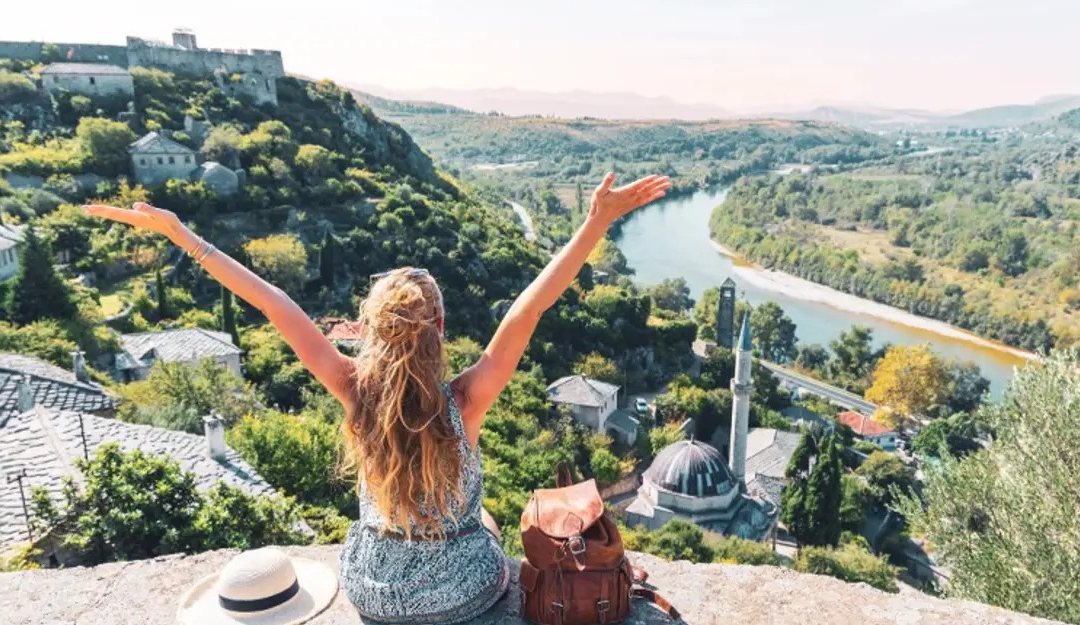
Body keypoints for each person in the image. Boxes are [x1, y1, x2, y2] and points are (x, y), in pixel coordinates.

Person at [84, 172, 671, 624]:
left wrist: (181, 234)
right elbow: (530, 307)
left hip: (373, 593)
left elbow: (270, 302)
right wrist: (594, 223)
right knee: (485, 521)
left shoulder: (352, 391)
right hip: (462, 598)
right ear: (439, 331)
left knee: (464, 521)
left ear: (370, 334)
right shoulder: (464, 402)